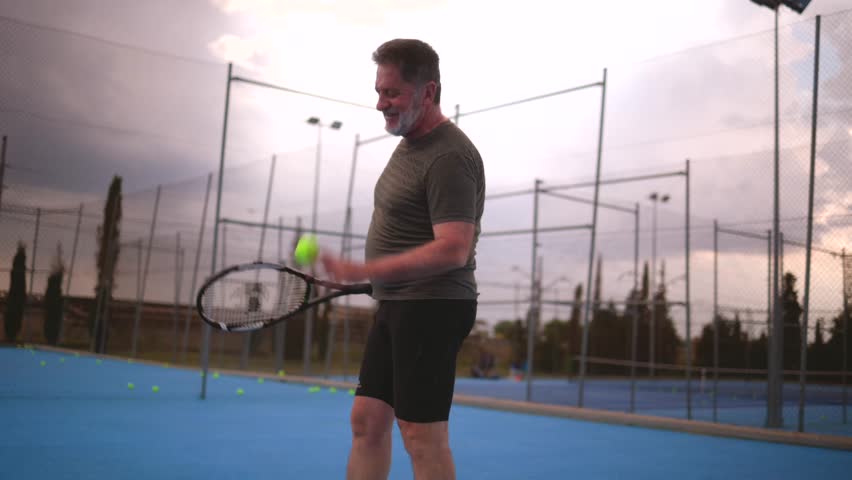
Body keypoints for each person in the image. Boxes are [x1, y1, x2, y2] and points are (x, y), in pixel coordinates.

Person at [321, 38, 485, 480]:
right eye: (379, 91)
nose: (380, 103)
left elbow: (454, 248)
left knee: (419, 435)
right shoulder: (410, 144)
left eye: (391, 92)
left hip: (433, 307)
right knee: (367, 420)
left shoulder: (449, 155)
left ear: (427, 92)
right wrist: (368, 280)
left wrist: (366, 270)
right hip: (398, 305)